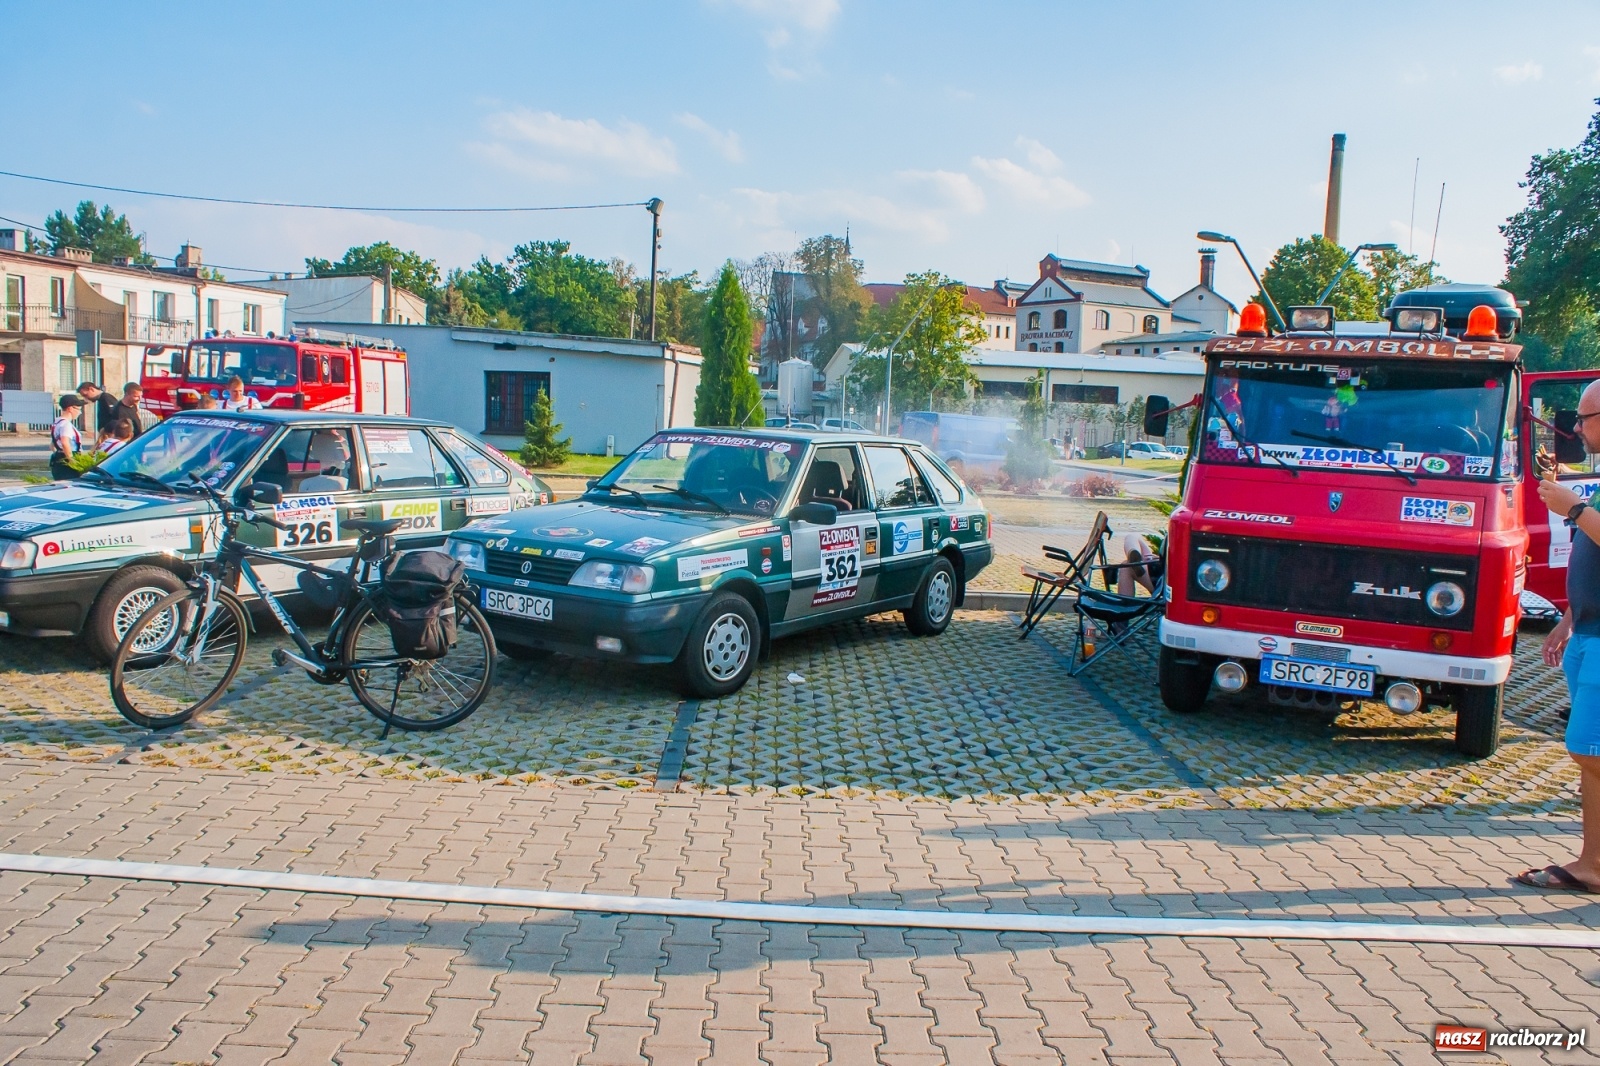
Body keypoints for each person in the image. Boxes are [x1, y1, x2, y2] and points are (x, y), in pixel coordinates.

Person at [1526, 378, 1600, 893]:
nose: (1575, 427)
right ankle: (1591, 859)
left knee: (1590, 752)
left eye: (1583, 417)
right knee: (1590, 757)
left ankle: (1594, 867)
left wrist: (1573, 509)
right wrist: (1569, 616)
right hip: (1588, 633)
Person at [50, 394, 84, 480]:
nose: (80, 412)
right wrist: (72, 461)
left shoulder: (57, 422)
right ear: (70, 408)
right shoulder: (66, 424)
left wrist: (58, 454)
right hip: (69, 457)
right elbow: (65, 442)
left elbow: (52, 444)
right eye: (79, 409)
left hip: (59, 457)